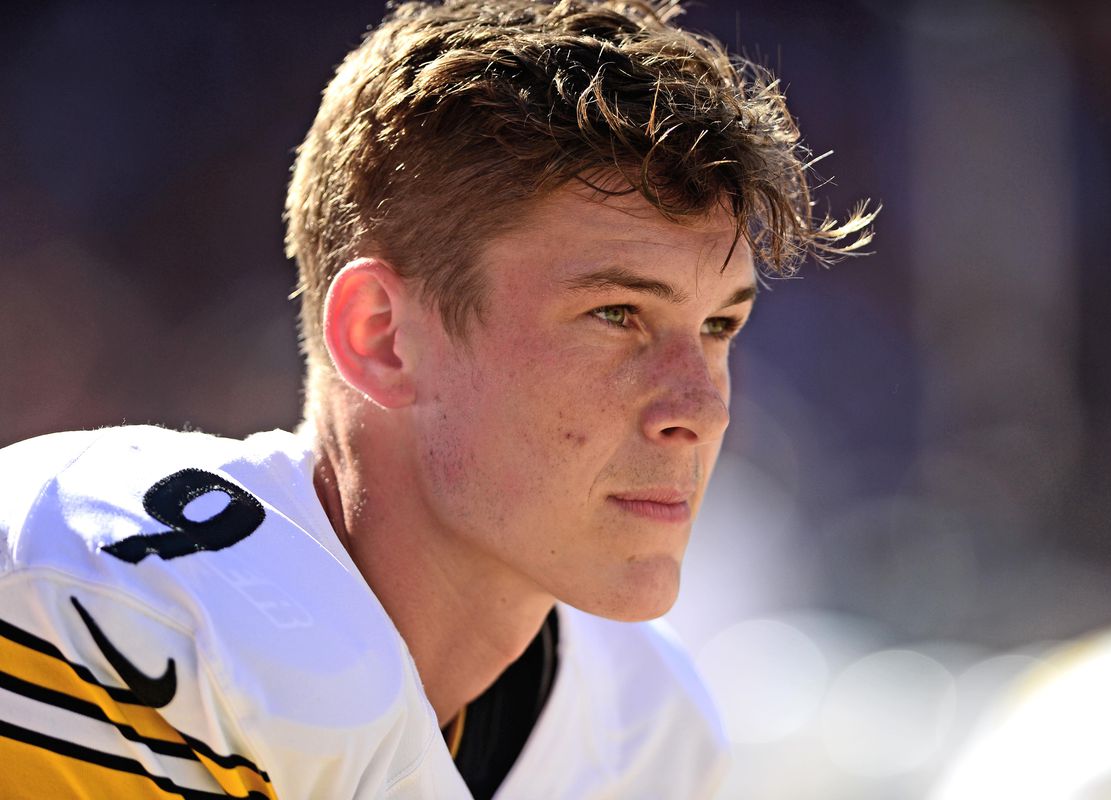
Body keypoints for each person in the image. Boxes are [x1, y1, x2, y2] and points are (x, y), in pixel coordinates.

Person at [0, 1, 873, 797]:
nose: (703, 408)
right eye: (616, 314)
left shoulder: (647, 731)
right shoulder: (113, 601)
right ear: (383, 336)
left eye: (719, 326)